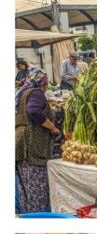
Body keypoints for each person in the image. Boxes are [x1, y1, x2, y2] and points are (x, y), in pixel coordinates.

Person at [16, 68, 62, 214]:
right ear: (42, 82)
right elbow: (34, 110)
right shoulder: (36, 93)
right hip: (32, 146)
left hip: (21, 144)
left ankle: (28, 217)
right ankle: (38, 218)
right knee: (36, 187)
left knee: (26, 187)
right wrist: (52, 127)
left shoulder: (23, 92)